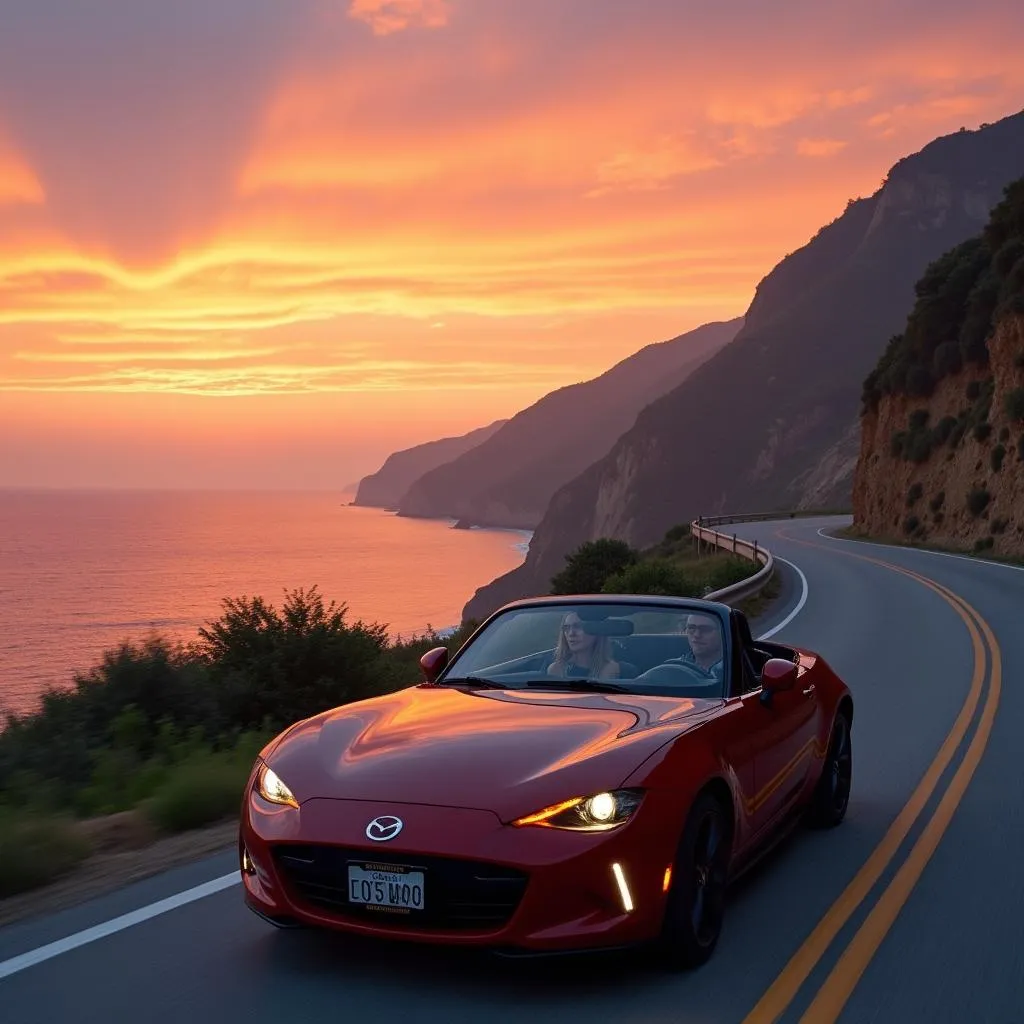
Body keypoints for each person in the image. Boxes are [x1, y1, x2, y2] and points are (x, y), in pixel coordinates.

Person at [547, 612, 621, 679]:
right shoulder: (556, 669)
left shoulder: (609, 669)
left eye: (578, 626)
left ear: (595, 631)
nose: (571, 633)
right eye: (567, 628)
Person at [670, 612, 725, 681]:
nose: (696, 635)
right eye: (691, 628)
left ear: (723, 633)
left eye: (705, 629)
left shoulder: (733, 668)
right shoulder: (674, 668)